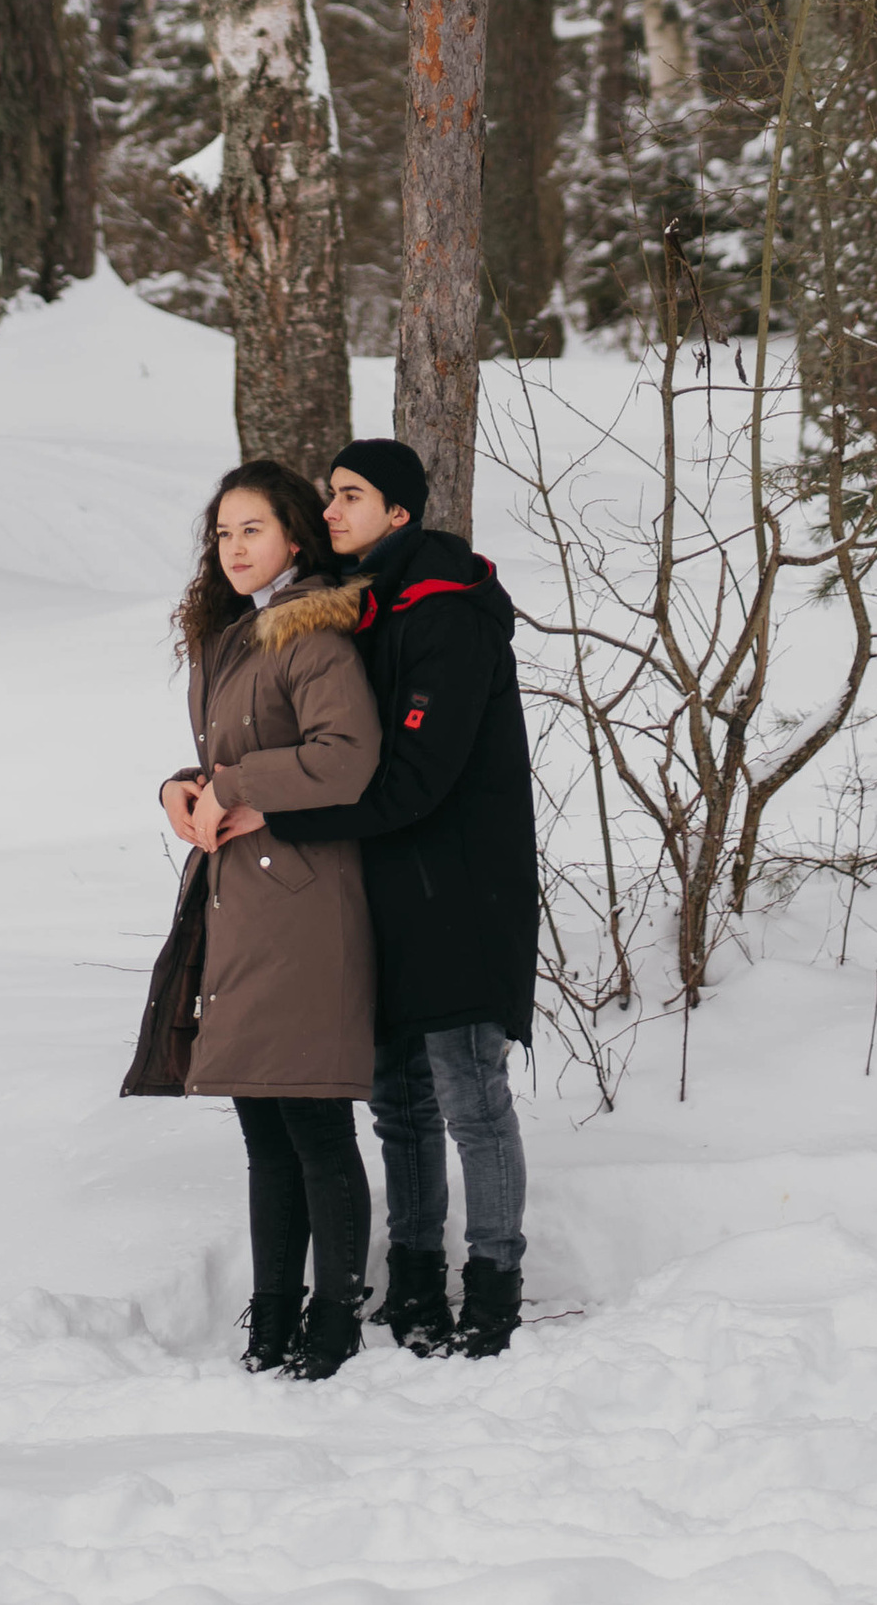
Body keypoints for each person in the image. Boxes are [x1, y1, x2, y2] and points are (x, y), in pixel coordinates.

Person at [245, 434, 540, 1362]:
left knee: (470, 1095)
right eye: (330, 494)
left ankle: (492, 1286)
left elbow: (416, 779)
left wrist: (277, 818)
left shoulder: (446, 609)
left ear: (400, 511)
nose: (331, 510)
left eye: (351, 496)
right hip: (380, 891)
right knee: (400, 1103)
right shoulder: (357, 606)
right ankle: (414, 1277)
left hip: (462, 892)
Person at [155, 460, 382, 1379]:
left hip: (304, 903)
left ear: (295, 535)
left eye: (252, 529)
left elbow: (347, 756)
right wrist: (180, 788)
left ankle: (336, 1318)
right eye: (223, 532)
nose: (234, 546)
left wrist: (240, 787)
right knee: (263, 1129)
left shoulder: (312, 633)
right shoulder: (230, 639)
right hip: (239, 903)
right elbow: (227, 757)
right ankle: (274, 1316)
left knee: (314, 1123)